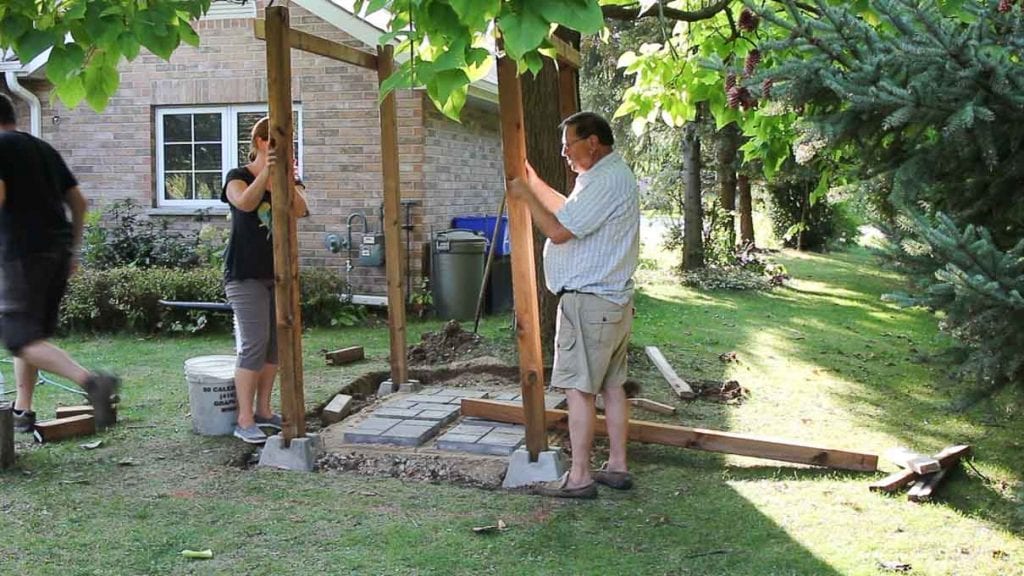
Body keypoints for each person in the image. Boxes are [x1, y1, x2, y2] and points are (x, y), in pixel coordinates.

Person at [509, 111, 640, 499]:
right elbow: (570, 211)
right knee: (613, 387)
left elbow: (559, 230)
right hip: (611, 303)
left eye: (569, 144)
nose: (565, 152)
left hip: (590, 303)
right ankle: (616, 465)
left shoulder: (607, 180)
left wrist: (526, 197)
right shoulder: (607, 178)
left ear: (593, 143)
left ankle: (579, 477)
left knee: (579, 390)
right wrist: (534, 183)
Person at [0, 93, 120, 433]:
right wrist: (74, 250)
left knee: (19, 339)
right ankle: (23, 410)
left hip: (22, 254)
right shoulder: (43, 150)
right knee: (31, 336)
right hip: (57, 252)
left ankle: (92, 382)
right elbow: (78, 202)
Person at [222, 116, 308, 444]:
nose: (286, 146)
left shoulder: (286, 177)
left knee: (274, 346)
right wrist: (267, 174)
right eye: (278, 140)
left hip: (277, 275)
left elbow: (300, 210)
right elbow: (244, 203)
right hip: (244, 275)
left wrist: (285, 177)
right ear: (261, 142)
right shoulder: (238, 176)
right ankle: (243, 420)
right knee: (254, 344)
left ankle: (263, 411)